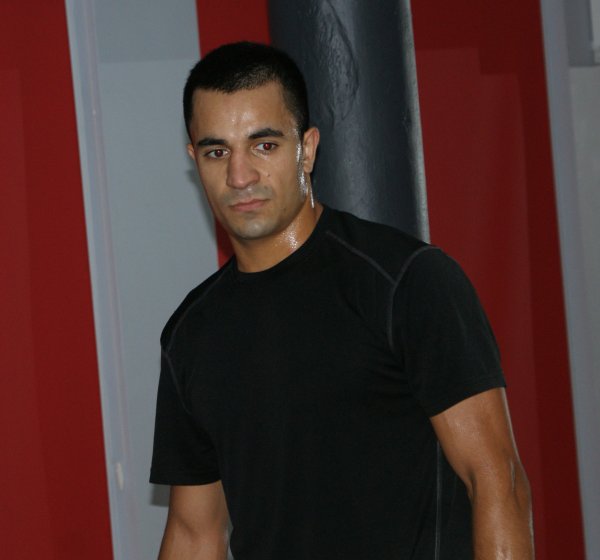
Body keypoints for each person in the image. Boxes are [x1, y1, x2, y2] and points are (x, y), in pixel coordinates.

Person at [150, 41, 533, 560]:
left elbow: (496, 481)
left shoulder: (406, 282)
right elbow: (194, 534)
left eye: (264, 145)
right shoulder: (191, 336)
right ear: (194, 159)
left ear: (306, 149)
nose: (240, 177)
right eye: (217, 152)